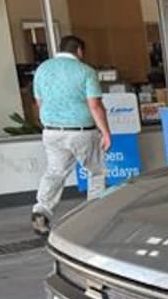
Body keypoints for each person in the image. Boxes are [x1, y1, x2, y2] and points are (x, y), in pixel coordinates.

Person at [31, 35, 111, 236]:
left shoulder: (42, 69)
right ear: (80, 51)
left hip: (52, 131)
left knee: (55, 171)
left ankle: (41, 210)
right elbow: (95, 105)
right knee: (97, 171)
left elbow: (39, 102)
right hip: (81, 131)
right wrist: (106, 132)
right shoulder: (85, 71)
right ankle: (95, 214)